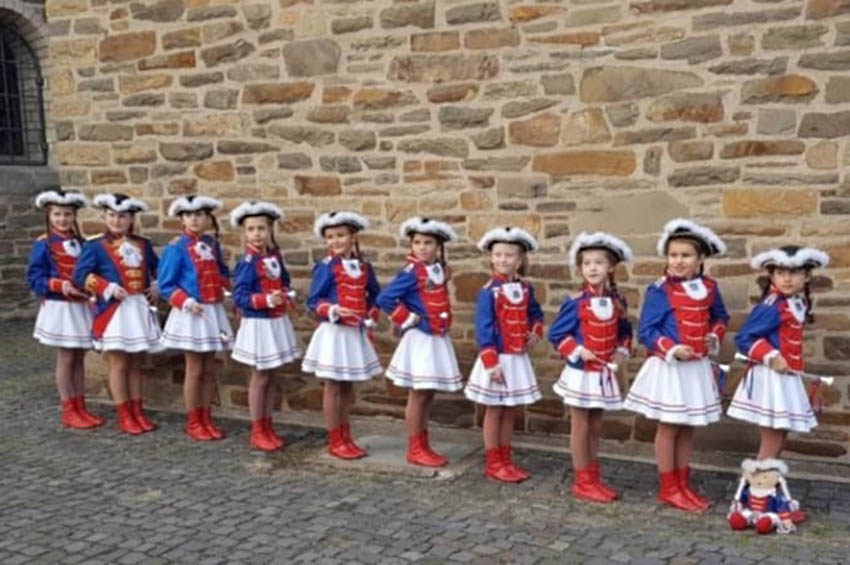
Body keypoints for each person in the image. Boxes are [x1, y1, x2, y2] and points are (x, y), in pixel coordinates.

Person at [623, 218, 729, 511]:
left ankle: (683, 483)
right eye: (673, 255)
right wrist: (672, 349)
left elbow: (721, 318)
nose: (678, 261)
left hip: (696, 368)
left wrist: (713, 336)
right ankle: (669, 487)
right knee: (670, 427)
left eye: (686, 255)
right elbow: (647, 331)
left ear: (700, 259)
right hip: (670, 368)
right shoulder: (659, 289)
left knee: (687, 427)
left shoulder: (709, 287)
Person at [548, 231, 633, 502]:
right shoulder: (575, 302)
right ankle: (582, 479)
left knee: (596, 426)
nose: (593, 268)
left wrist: (621, 353)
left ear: (610, 268)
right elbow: (556, 335)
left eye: (599, 262)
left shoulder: (618, 302)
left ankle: (593, 475)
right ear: (580, 268)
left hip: (603, 374)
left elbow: (625, 333)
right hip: (581, 374)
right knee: (581, 426)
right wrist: (576, 350)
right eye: (587, 263)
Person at [72, 193, 161, 435]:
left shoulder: (143, 244)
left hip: (138, 308)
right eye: (112, 215)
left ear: (131, 218)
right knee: (119, 363)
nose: (117, 220)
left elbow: (159, 269)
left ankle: (137, 410)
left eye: (122, 216)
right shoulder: (95, 245)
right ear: (104, 216)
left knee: (136, 363)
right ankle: (124, 413)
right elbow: (80, 275)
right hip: (113, 312)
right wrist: (106, 287)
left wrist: (157, 285)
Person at [376, 217, 462, 467]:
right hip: (420, 339)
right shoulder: (411, 271)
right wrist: (409, 318)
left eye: (428, 242)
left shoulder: (438, 269)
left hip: (436, 338)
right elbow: (385, 299)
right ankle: (415, 447)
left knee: (427, 395)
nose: (422, 247)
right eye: (417, 242)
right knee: (418, 393)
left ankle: (424, 444)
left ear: (438, 246)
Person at [464, 227, 543, 483]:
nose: (502, 260)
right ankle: (493, 461)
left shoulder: (526, 288)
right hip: (498, 359)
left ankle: (506, 458)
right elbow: (484, 328)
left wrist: (535, 330)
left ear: (519, 260)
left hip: (517, 359)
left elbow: (536, 314)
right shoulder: (489, 291)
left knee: (510, 411)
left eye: (509, 256)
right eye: (498, 255)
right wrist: (490, 363)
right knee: (494, 411)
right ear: (491, 258)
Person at [302, 211, 381, 459]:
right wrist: (333, 309)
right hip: (334, 332)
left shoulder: (364, 266)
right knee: (334, 386)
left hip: (354, 333)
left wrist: (371, 316)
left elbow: (375, 295)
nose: (335, 241)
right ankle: (335, 439)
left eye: (340, 235)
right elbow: (313, 302)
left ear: (353, 236)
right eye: (330, 237)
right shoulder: (326, 267)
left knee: (348, 386)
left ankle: (346, 435)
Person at [27, 188, 102, 429]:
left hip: (81, 307)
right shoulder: (44, 244)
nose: (62, 219)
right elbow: (35, 277)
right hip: (60, 307)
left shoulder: (82, 244)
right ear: (49, 215)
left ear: (74, 216)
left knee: (80, 357)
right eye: (58, 214)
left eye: (67, 214)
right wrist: (60, 285)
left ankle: (81, 405)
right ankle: (68, 408)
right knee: (67, 356)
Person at [158, 196, 232, 441]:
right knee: (194, 368)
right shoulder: (176, 247)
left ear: (208, 218)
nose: (194, 219)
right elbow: (166, 284)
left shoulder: (211, 244)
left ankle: (206, 415)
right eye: (189, 215)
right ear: (181, 219)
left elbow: (221, 272)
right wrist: (187, 301)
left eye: (199, 214)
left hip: (212, 310)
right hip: (192, 312)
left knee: (209, 368)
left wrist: (228, 287)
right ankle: (194, 420)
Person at [230, 201, 302, 451]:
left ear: (270, 230)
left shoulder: (273, 258)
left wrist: (286, 294)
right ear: (244, 233)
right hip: (258, 323)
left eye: (262, 228)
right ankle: (257, 429)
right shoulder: (247, 262)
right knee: (260, 377)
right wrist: (265, 300)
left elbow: (284, 281)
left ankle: (268, 424)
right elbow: (239, 296)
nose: (257, 234)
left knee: (271, 376)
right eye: (251, 229)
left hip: (275, 321)